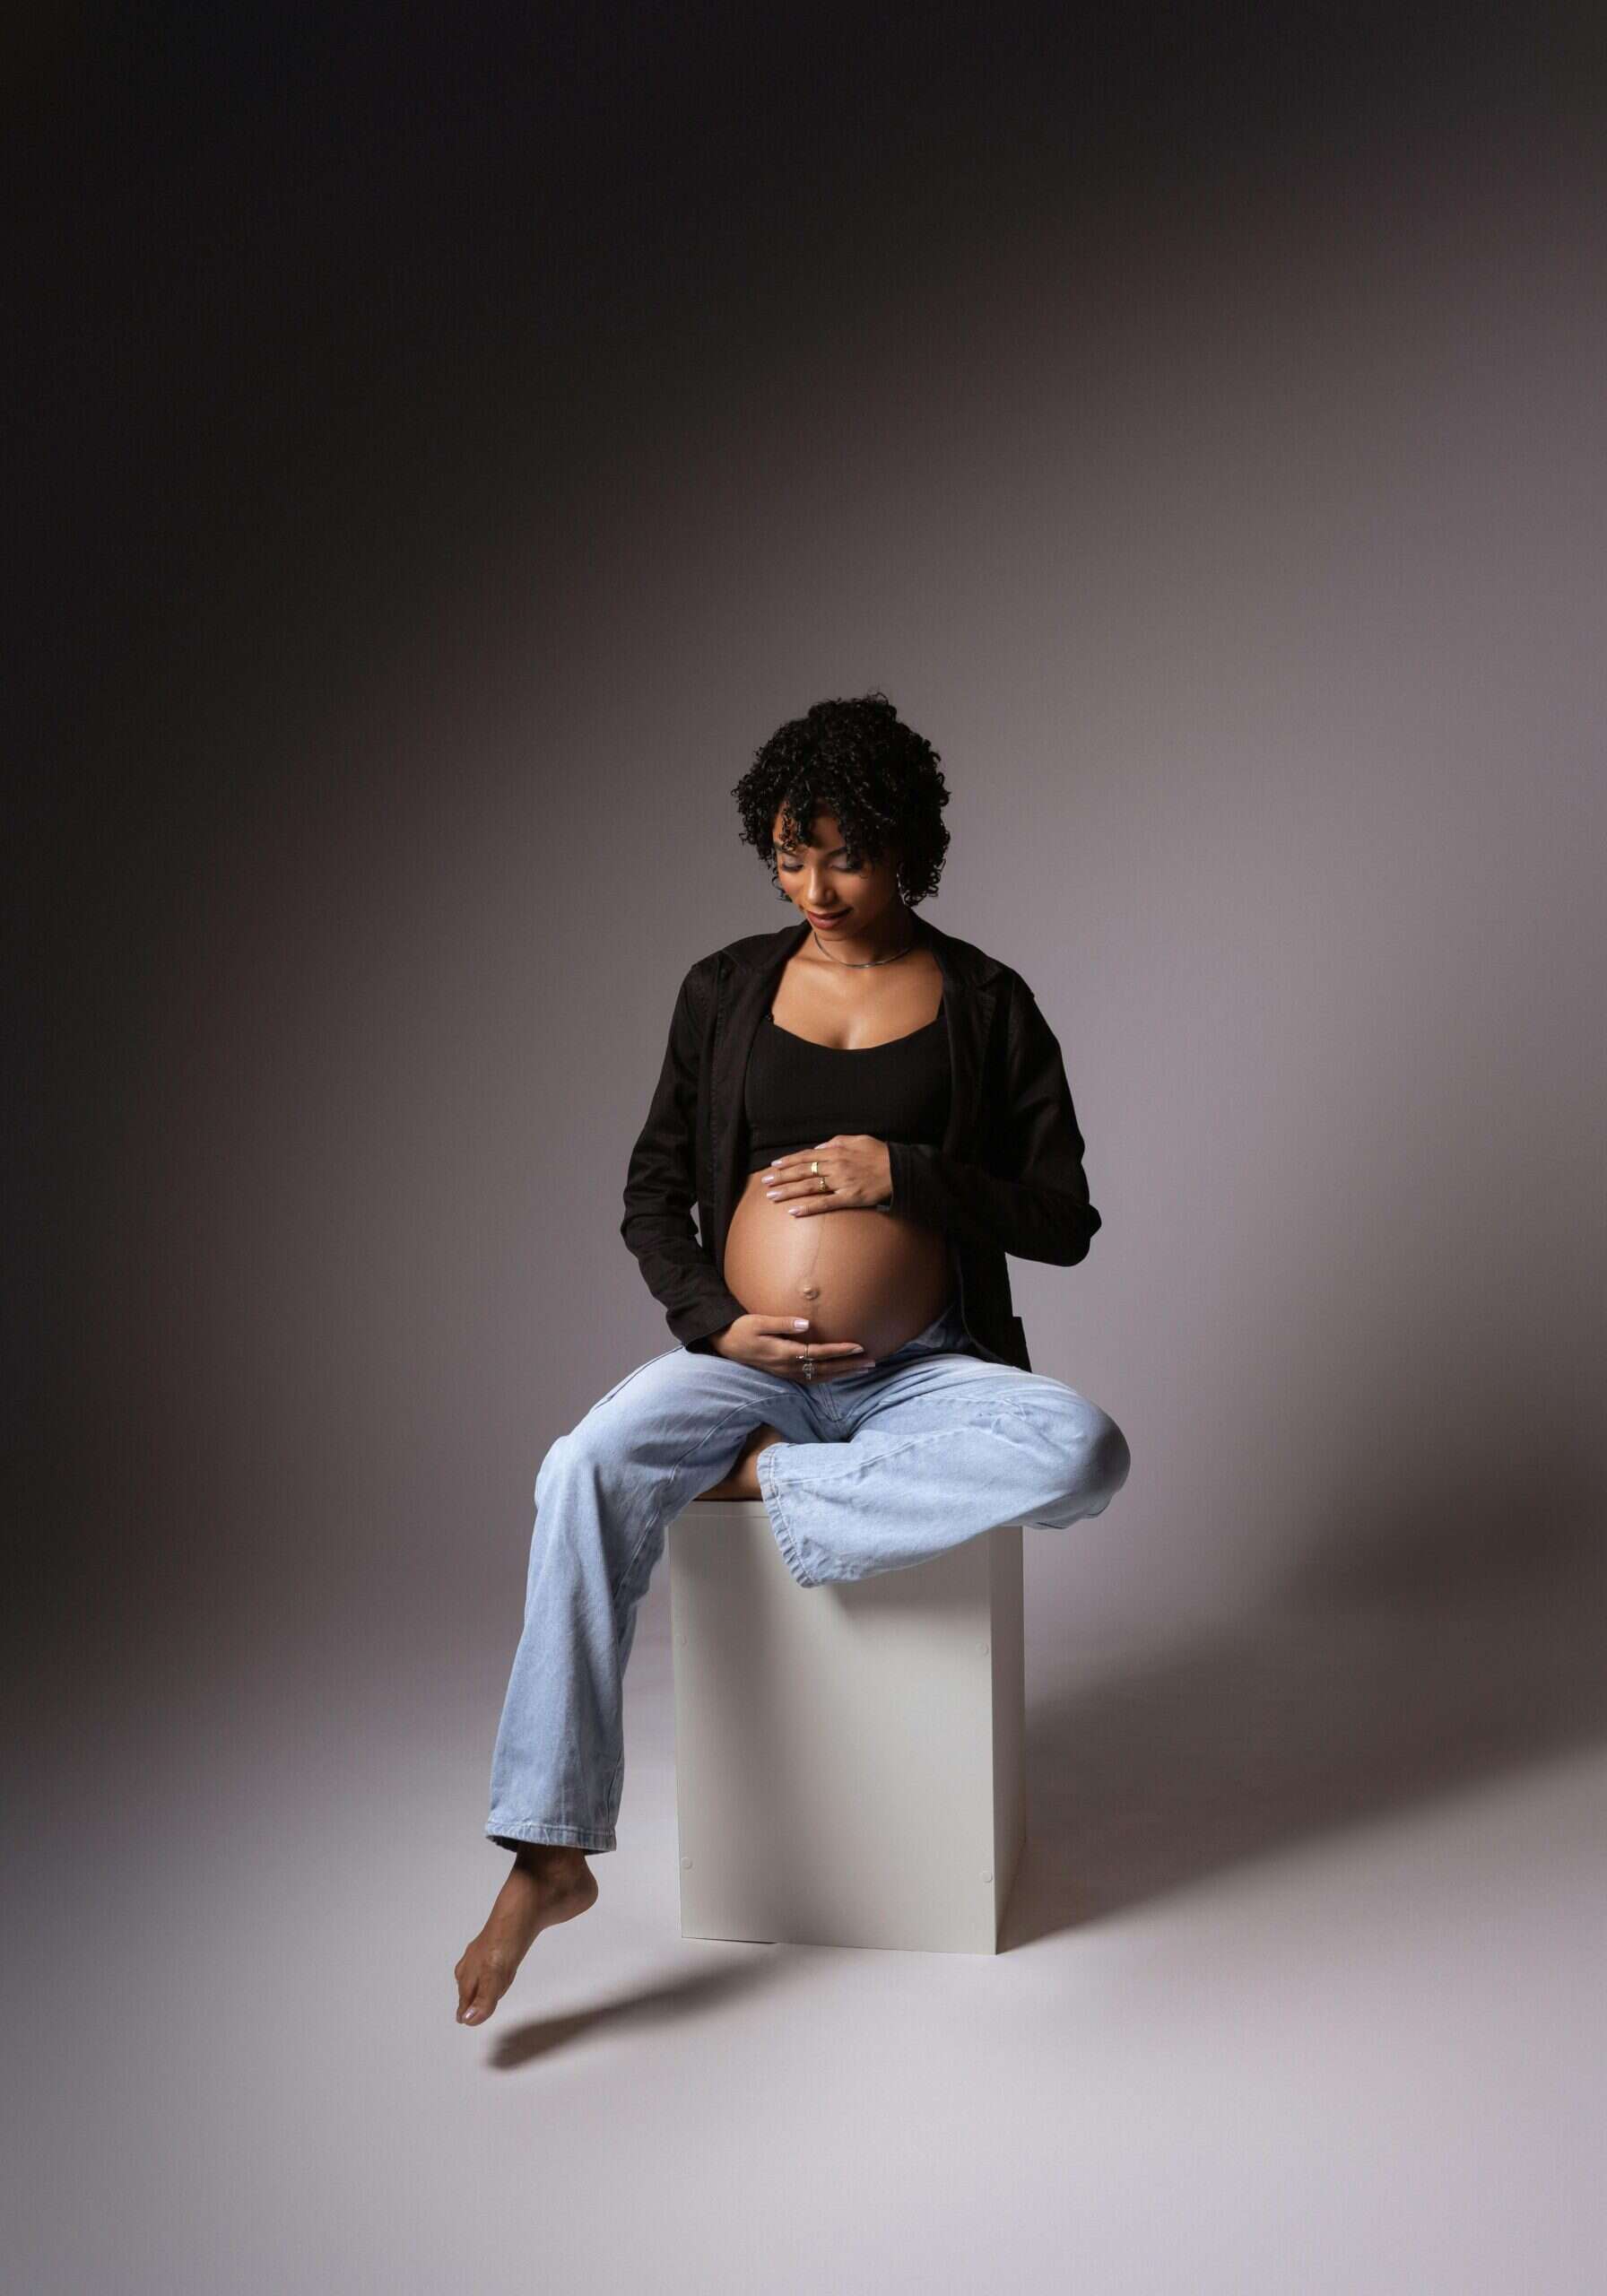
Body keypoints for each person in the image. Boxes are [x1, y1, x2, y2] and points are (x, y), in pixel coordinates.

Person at [455, 691, 1131, 2024]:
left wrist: (915, 1172)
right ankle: (547, 1852)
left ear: (908, 853)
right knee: (584, 1466)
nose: (816, 886)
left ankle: (772, 1489)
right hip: (751, 1370)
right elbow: (654, 1192)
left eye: (847, 857)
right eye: (788, 853)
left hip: (921, 1371)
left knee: (1082, 1448)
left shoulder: (986, 1003)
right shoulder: (723, 993)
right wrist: (716, 1321)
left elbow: (1065, 1219)